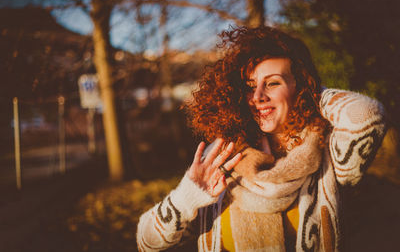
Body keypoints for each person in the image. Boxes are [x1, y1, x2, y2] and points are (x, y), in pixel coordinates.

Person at [136, 26, 387, 252]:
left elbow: (367, 115)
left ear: (300, 87)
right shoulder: (224, 157)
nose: (257, 96)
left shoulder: (328, 153)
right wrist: (186, 198)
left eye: (273, 83)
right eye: (250, 85)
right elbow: (146, 242)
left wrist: (312, 93)